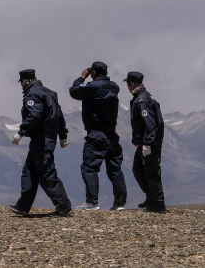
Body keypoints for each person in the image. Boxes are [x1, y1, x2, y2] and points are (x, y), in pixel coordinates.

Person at [8, 68, 72, 217]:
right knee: (29, 171)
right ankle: (23, 206)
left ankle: (63, 205)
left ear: (24, 81)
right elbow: (59, 114)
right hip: (46, 138)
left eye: (21, 83)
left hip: (42, 140)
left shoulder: (33, 94)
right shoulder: (49, 93)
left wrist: (21, 132)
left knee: (46, 173)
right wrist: (63, 135)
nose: (21, 86)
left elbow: (34, 115)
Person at [69, 61, 127, 211]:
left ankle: (92, 202)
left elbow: (74, 91)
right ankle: (119, 203)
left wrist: (82, 77)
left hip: (96, 134)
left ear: (93, 73)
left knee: (89, 167)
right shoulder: (114, 87)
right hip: (112, 135)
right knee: (115, 169)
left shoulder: (92, 87)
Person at [125, 71, 166, 213]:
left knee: (151, 172)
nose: (127, 87)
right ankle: (151, 198)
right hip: (144, 143)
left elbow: (150, 123)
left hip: (149, 143)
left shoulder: (142, 100)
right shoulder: (142, 98)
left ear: (131, 84)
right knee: (138, 169)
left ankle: (158, 205)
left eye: (127, 83)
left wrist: (148, 143)